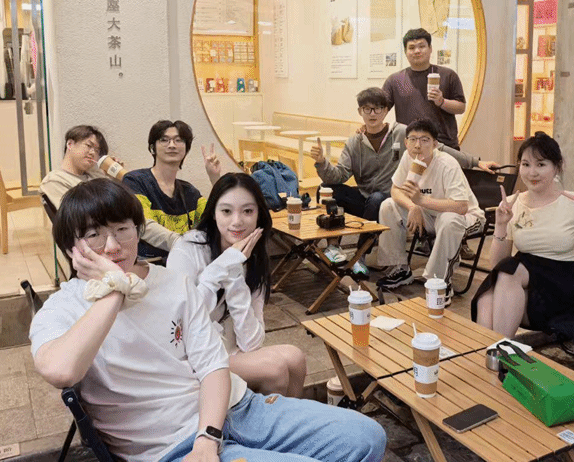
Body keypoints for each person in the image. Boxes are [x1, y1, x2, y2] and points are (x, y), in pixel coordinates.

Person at [29, 178, 386, 462]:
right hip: (170, 443)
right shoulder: (64, 307)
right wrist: (114, 290)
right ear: (71, 248)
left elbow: (213, 364)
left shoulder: (172, 283)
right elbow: (61, 371)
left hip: (235, 409)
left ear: (138, 230)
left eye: (122, 229)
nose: (112, 246)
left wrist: (208, 437)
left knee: (367, 437)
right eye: (94, 235)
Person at [311, 87, 498, 274]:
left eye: (378, 108)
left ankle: (360, 256)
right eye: (367, 109)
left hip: (387, 196)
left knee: (379, 200)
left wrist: (476, 162)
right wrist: (321, 162)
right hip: (367, 198)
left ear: (386, 110)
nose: (373, 114)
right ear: (360, 111)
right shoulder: (354, 142)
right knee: (327, 188)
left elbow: (440, 148)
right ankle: (333, 246)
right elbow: (339, 175)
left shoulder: (403, 134)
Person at [472, 132, 574, 340]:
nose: (532, 172)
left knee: (505, 277)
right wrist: (500, 225)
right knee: (490, 293)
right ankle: (494, 349)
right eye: (526, 164)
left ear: (557, 167)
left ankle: (494, 349)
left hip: (568, 286)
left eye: (541, 164)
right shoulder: (512, 203)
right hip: (532, 285)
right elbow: (497, 265)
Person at [167, 173, 307, 397]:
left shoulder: (255, 257)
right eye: (226, 211)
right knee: (274, 369)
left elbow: (251, 343)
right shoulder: (188, 249)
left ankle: (285, 418)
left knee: (295, 358)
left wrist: (234, 275)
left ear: (259, 214)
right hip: (192, 357)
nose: (237, 221)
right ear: (213, 214)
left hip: (230, 352)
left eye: (248, 211)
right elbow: (183, 322)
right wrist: (222, 266)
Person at [376, 119, 484, 297]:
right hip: (429, 215)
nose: (417, 145)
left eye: (424, 140)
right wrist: (413, 206)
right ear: (406, 142)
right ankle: (400, 268)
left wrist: (421, 201)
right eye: (413, 139)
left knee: (449, 220)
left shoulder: (447, 164)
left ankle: (439, 282)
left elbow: (461, 207)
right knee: (388, 205)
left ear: (435, 144)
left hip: (465, 218)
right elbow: (395, 190)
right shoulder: (408, 157)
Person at [40, 124, 180, 254]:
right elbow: (76, 216)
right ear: (70, 144)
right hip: (102, 237)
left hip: (120, 225)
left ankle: (179, 241)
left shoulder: (94, 175)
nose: (92, 152)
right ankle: (179, 243)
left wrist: (113, 177)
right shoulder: (54, 180)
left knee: (144, 217)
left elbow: (123, 198)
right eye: (89, 146)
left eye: (97, 150)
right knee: (140, 222)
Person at [123, 120, 222, 261]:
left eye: (178, 140)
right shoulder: (135, 181)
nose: (172, 145)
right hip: (147, 265)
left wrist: (215, 178)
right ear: (152, 148)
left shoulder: (190, 192)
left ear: (186, 149)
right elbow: (143, 225)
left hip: (184, 264)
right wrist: (183, 244)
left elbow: (217, 220)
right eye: (164, 140)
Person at [382, 28, 465, 149]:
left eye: (422, 46)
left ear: (430, 48)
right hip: (411, 147)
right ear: (405, 52)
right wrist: (368, 127)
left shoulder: (448, 75)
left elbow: (461, 107)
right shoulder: (394, 80)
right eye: (411, 48)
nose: (417, 51)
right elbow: (380, 110)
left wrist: (442, 101)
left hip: (443, 145)